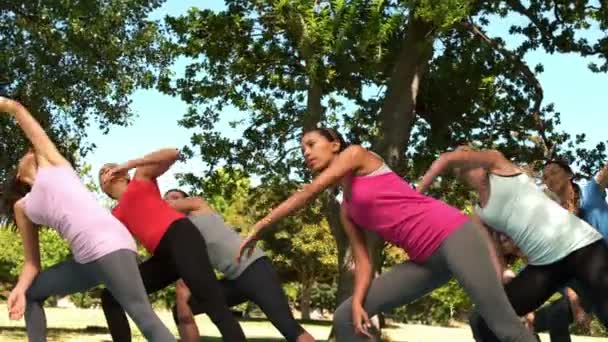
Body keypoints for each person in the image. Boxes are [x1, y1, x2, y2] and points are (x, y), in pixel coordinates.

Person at [237, 127, 537, 342]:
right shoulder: (347, 209)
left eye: (311, 144)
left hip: (453, 234)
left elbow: (311, 191)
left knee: (503, 326)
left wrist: (261, 226)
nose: (306, 152)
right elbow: (363, 261)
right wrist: (357, 301)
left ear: (335, 144)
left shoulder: (358, 155)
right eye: (303, 148)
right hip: (425, 260)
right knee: (345, 317)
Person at [0, 97, 175, 341]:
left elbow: (25, 121)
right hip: (85, 260)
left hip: (110, 246)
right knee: (32, 293)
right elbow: (32, 264)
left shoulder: (56, 166)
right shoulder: (23, 207)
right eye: (26, 154)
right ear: (19, 175)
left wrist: (9, 106)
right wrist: (19, 289)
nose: (31, 151)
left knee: (143, 317)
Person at [418, 146, 608, 342]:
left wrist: (419, 190)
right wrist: (505, 276)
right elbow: (496, 255)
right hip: (548, 266)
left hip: (585, 252)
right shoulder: (480, 215)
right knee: (483, 320)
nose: (468, 167)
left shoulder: (506, 171)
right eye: (462, 168)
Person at [98, 150, 246, 341]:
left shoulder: (140, 180)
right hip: (163, 257)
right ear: (103, 187)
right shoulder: (115, 216)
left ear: (124, 174)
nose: (107, 172)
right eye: (102, 173)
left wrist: (128, 164)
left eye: (110, 168)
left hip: (181, 238)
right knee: (110, 295)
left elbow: (173, 153)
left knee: (213, 304)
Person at [162, 189, 316, 342]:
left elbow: (160, 208)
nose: (169, 201)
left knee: (288, 328)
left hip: (255, 269)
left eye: (174, 198)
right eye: (166, 198)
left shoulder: (198, 205)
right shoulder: (180, 235)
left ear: (186, 200)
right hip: (234, 281)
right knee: (184, 306)